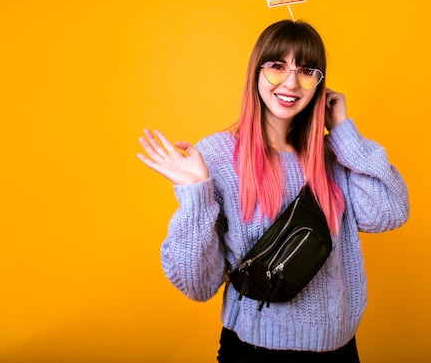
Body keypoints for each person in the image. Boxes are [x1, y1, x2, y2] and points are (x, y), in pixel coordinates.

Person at [137, 20, 409, 362]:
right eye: (278, 66)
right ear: (257, 72)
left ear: (320, 85)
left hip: (339, 350)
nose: (291, 82)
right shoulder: (218, 157)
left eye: (307, 70)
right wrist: (195, 194)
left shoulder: (333, 156)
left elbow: (388, 213)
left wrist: (343, 131)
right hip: (254, 351)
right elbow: (197, 284)